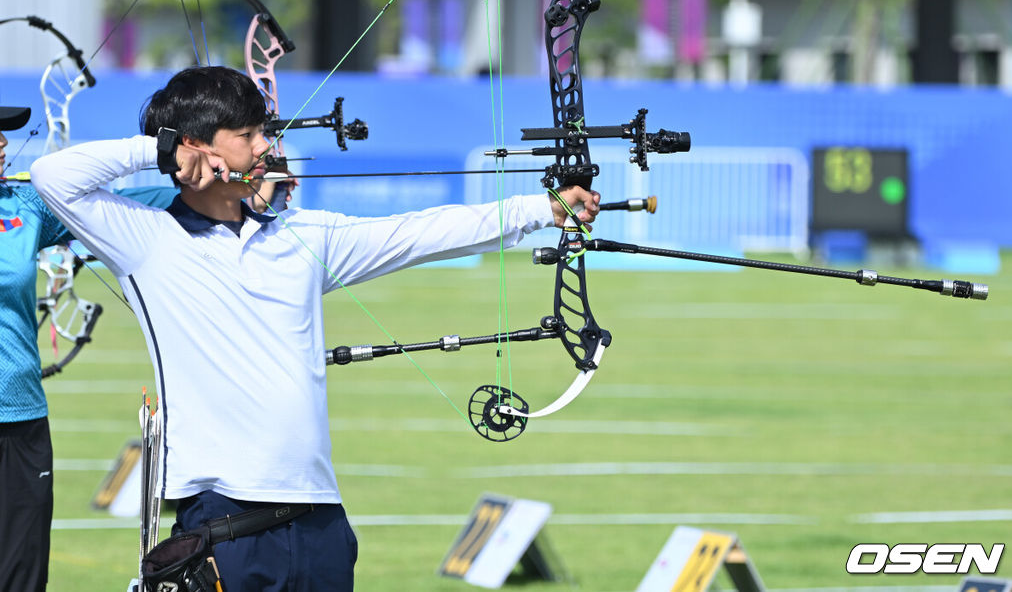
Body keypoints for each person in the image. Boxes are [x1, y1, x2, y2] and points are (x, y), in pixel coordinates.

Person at [30, 66, 600, 591]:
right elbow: (53, 175)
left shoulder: (302, 236)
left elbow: (420, 232)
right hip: (224, 525)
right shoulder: (144, 239)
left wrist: (541, 209)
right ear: (197, 146)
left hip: (320, 519)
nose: (266, 147)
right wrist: (154, 150)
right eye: (250, 135)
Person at [0, 106, 177, 592]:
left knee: (21, 575)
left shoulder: (23, 208)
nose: (0, 143)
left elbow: (119, 205)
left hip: (21, 420)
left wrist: (198, 187)